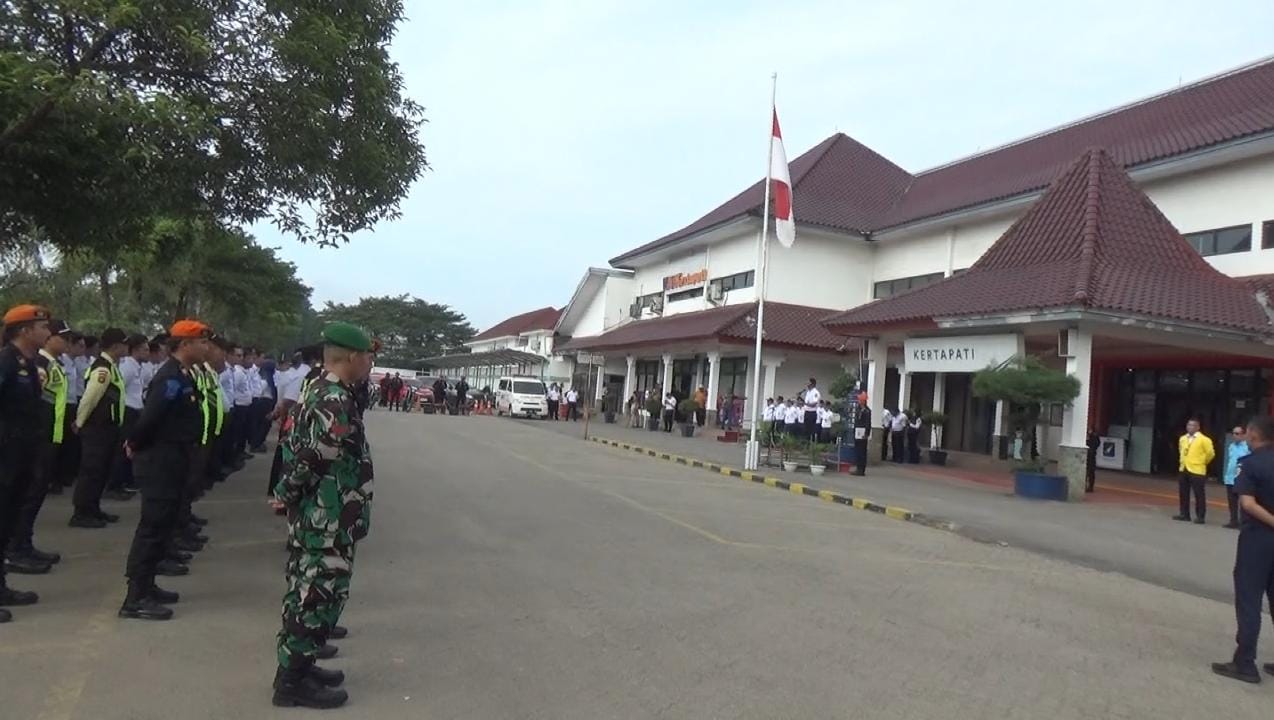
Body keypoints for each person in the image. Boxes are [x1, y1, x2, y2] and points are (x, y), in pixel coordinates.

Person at [270, 322, 375, 709]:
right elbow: (315, 455)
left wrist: (288, 493)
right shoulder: (334, 399)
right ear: (352, 356)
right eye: (367, 356)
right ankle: (292, 683)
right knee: (316, 597)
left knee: (307, 593)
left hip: (323, 515)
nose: (370, 363)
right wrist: (286, 492)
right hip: (327, 517)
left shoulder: (320, 388)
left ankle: (298, 666)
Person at [118, 320, 211, 621]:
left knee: (164, 525)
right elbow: (150, 418)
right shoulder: (169, 378)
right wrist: (134, 443)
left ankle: (148, 585)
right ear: (185, 345)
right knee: (152, 527)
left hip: (175, 459)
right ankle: (135, 597)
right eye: (202, 342)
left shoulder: (182, 374)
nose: (206, 347)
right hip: (160, 461)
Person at [0, 306, 56, 616]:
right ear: (24, 330)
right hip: (5, 454)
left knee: (8, 522)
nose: (47, 332)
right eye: (42, 326)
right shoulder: (6, 362)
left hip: (22, 454)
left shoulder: (28, 363)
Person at [1211, 415, 1274, 684]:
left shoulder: (1249, 464)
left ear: (1253, 435)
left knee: (1249, 600)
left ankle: (1245, 663)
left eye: (1247, 433)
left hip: (1258, 539)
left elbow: (1247, 504)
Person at [8, 318, 72, 573]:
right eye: (61, 337)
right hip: (27, 440)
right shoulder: (30, 363)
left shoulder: (43, 363)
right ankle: (16, 547)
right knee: (25, 496)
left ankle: (23, 543)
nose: (66, 342)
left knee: (34, 493)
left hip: (45, 436)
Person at [69, 328, 129, 529]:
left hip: (108, 427)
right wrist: (79, 421)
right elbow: (90, 397)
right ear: (115, 346)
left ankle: (93, 508)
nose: (126, 348)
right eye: (124, 344)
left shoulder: (110, 366)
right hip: (97, 428)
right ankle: (81, 512)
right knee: (91, 471)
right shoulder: (103, 369)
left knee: (101, 470)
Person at [107, 334, 149, 501]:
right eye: (145, 350)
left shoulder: (137, 367)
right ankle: (114, 485)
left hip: (136, 410)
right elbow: (118, 388)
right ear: (136, 350)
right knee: (122, 450)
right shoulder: (128, 367)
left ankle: (124, 481)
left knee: (130, 450)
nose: (147, 353)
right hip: (128, 410)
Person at [1174, 418, 1216, 524]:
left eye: (1193, 425)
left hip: (1197, 469)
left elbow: (1210, 453)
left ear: (1198, 427)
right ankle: (1184, 514)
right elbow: (1181, 450)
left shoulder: (1204, 440)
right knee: (1183, 492)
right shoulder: (1183, 438)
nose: (1190, 427)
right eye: (1188, 425)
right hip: (1184, 468)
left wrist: (1202, 461)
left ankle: (1200, 516)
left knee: (1199, 494)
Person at [1224, 425, 1252, 529]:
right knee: (1232, 501)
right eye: (1233, 433)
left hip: (1241, 477)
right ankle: (1233, 521)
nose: (1234, 436)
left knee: (1243, 502)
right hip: (1230, 477)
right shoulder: (1231, 446)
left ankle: (1243, 522)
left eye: (1237, 434)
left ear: (1243, 435)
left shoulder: (1247, 447)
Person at [852, 392, 872, 477]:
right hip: (857, 432)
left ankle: (861, 469)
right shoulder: (858, 409)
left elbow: (868, 423)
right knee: (857, 451)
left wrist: (866, 433)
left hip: (863, 433)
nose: (858, 401)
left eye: (860, 400)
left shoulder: (867, 411)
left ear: (863, 401)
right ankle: (858, 468)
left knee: (862, 451)